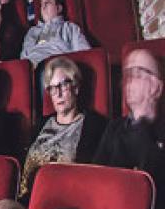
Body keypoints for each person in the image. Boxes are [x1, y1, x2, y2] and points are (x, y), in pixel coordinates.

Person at [19, 57, 106, 199]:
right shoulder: (40, 124)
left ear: (76, 88)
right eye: (52, 88)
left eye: (63, 85)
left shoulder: (94, 126)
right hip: (27, 198)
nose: (58, 94)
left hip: (65, 200)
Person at [93, 48, 165, 183]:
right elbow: (95, 174)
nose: (129, 80)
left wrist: (142, 121)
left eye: (137, 73)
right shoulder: (114, 127)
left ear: (156, 86)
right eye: (127, 74)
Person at [20, 0, 91, 67]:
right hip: (32, 66)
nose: (43, 7)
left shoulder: (70, 27)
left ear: (59, 8)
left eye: (47, 3)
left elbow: (85, 54)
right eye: (41, 4)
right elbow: (24, 58)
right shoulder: (32, 31)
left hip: (56, 65)